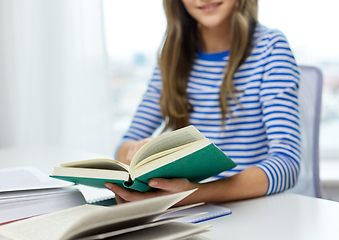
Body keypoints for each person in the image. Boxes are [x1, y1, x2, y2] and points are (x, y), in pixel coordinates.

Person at [105, 0, 301, 206]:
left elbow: (287, 163)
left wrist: (195, 193)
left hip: (248, 207)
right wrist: (134, 151)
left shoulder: (270, 47)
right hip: (188, 207)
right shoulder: (173, 55)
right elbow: (125, 143)